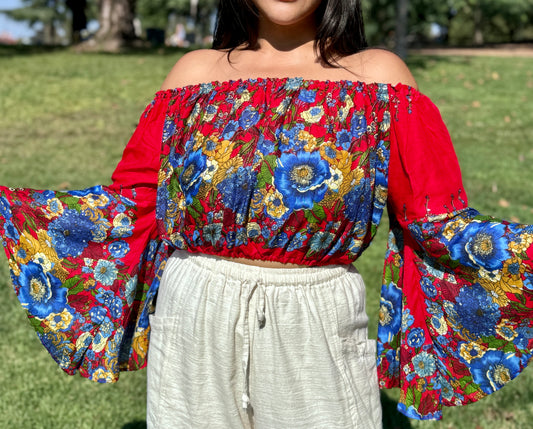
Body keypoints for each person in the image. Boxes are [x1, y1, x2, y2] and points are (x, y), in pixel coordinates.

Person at [0, 0, 532, 427]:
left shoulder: (378, 79)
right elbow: (132, 206)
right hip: (193, 313)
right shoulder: (192, 74)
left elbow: (435, 220)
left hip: (316, 315)